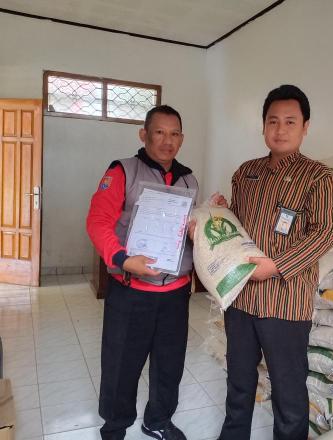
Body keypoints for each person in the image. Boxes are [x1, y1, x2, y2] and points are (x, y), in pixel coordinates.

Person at [218, 85, 333, 440]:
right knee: (238, 384)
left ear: (305, 127)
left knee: (288, 392)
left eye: (290, 121)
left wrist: (275, 266)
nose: (280, 129)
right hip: (240, 298)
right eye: (273, 121)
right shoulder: (246, 173)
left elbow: (325, 232)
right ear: (263, 126)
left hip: (285, 303)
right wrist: (221, 213)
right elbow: (237, 226)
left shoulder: (318, 177)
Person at [87, 105, 198, 440]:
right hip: (130, 290)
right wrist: (122, 258)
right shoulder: (123, 171)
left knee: (169, 364)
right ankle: (115, 427)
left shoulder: (189, 179)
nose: (167, 140)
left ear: (182, 138)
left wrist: (207, 217)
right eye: (159, 132)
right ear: (144, 134)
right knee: (121, 365)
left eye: (174, 133)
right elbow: (98, 222)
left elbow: (188, 231)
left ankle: (158, 421)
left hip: (175, 293)